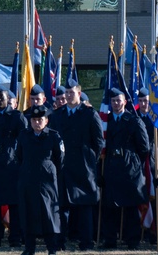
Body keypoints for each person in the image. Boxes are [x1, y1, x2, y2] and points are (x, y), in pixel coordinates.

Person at [49, 79, 104, 251]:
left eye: (71, 92)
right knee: (61, 207)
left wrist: (89, 160)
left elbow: (99, 142)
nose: (68, 95)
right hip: (64, 168)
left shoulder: (89, 114)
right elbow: (52, 139)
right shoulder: (57, 115)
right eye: (66, 93)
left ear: (79, 94)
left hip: (84, 167)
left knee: (84, 208)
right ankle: (59, 242)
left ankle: (86, 242)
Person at [100, 87, 149, 249]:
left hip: (130, 170)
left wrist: (133, 162)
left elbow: (144, 148)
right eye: (113, 101)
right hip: (112, 168)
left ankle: (132, 240)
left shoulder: (133, 120)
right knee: (110, 208)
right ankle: (110, 240)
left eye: (118, 100)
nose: (115, 103)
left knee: (130, 208)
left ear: (125, 102)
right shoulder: (105, 122)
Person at [16, 104, 64, 255]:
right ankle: (29, 248)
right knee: (28, 213)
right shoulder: (24, 135)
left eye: (40, 120)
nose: (37, 122)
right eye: (34, 120)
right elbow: (18, 156)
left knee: (48, 215)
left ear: (46, 121)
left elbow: (60, 159)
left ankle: (52, 248)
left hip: (47, 181)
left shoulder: (54, 136)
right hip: (28, 180)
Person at [0, 85, 27, 247]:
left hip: (12, 166)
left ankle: (15, 237)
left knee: (14, 205)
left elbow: (24, 141)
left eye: (1, 97)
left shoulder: (17, 117)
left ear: (8, 99)